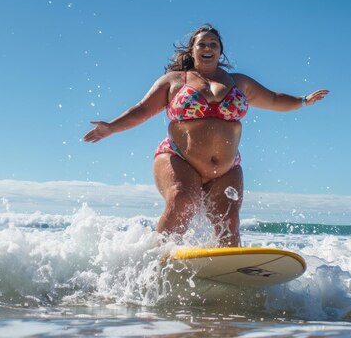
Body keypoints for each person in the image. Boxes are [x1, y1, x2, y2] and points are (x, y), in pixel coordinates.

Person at [83, 24, 329, 247]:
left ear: (220, 51)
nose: (208, 48)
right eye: (202, 43)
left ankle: (227, 275)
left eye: (214, 44)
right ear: (192, 50)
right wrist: (111, 127)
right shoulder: (174, 81)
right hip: (178, 158)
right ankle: (156, 263)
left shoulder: (238, 82)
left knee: (229, 222)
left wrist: (304, 100)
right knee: (182, 200)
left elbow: (274, 99)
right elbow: (142, 110)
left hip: (227, 167)